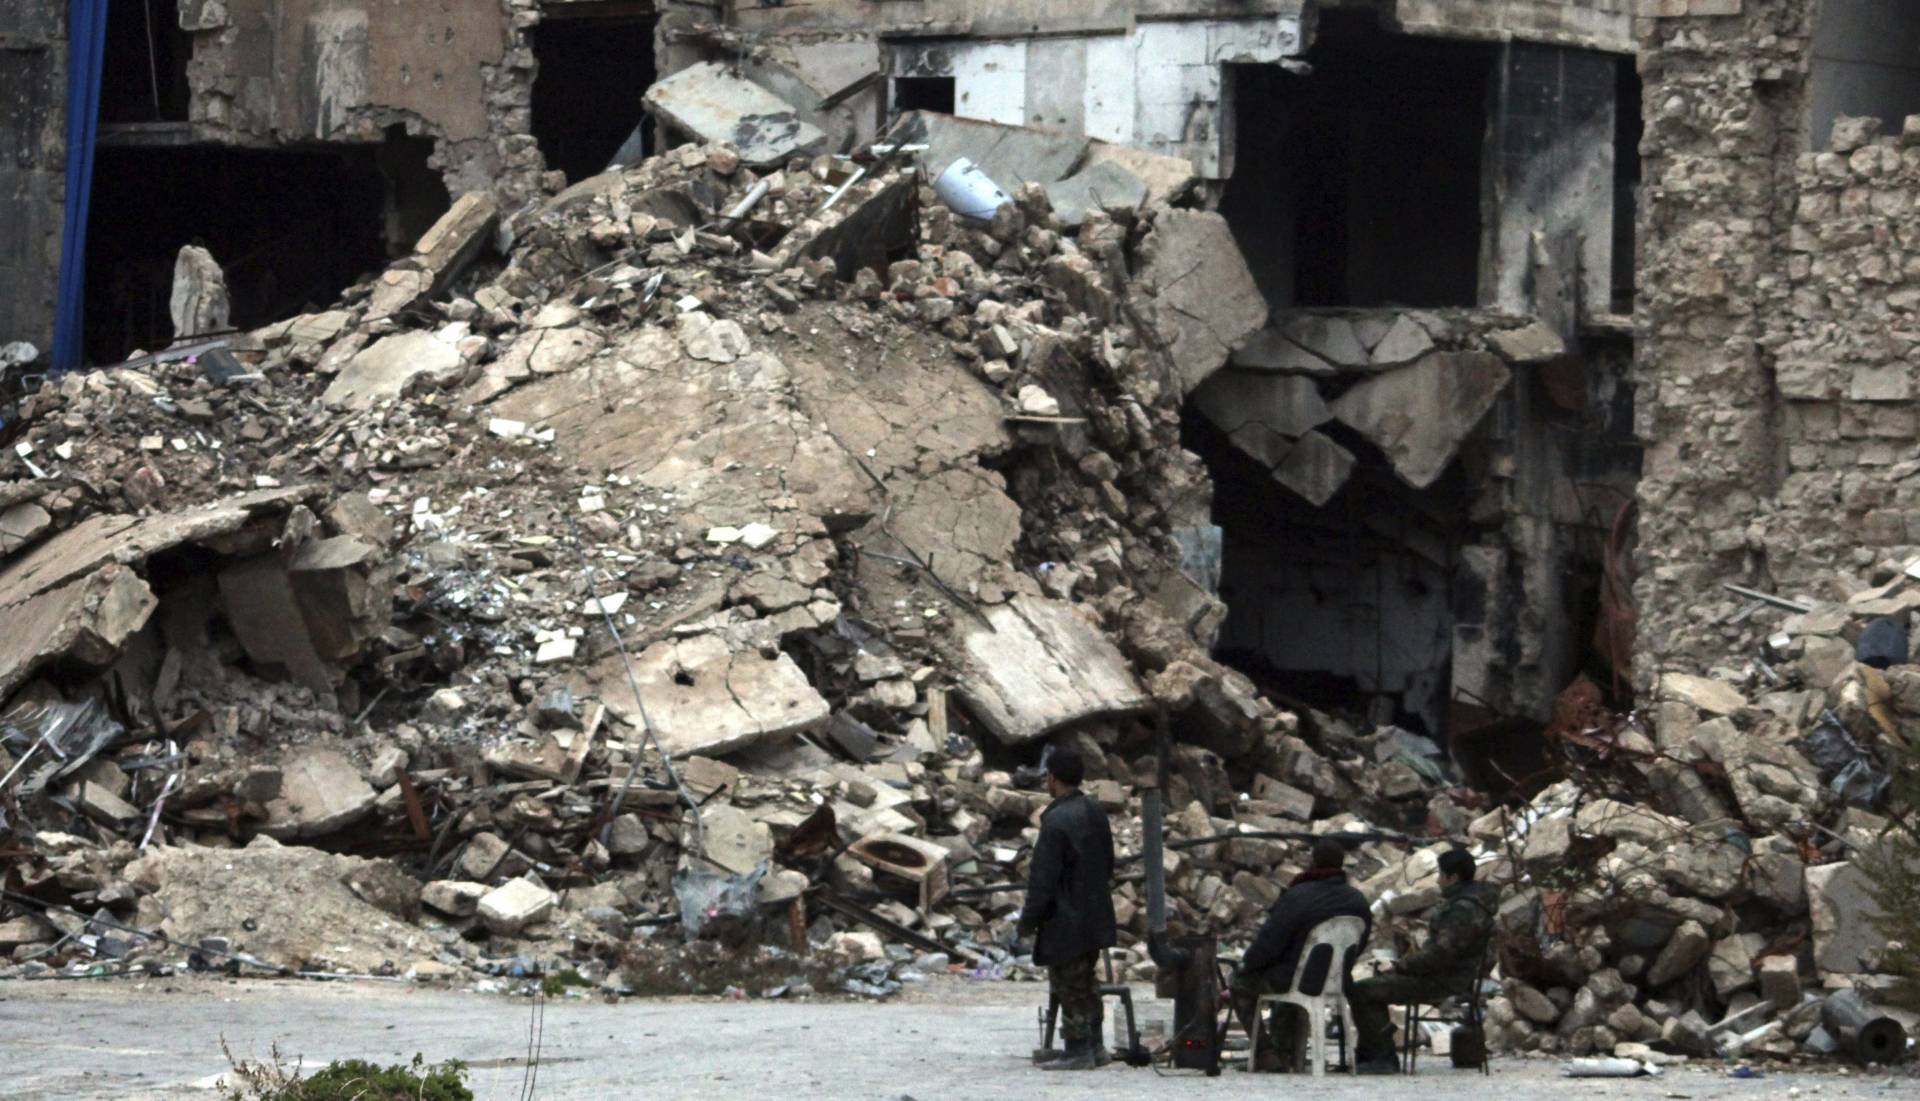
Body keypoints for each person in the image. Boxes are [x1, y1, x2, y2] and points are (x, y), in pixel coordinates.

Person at [1349, 847, 1499, 1073]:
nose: (1438, 881)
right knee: (1372, 985)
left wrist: (1401, 966)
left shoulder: (1461, 910)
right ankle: (1373, 1053)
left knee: (1362, 991)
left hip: (1442, 979)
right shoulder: (1475, 903)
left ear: (1453, 877)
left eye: (1441, 875)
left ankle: (1382, 1057)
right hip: (1451, 974)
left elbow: (1439, 956)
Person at [1229, 838, 1372, 1072]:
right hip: (1335, 982)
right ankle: (1287, 1052)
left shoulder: (1298, 895)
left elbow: (1269, 944)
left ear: (1313, 862)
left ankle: (1266, 1052)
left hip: (1295, 979)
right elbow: (1359, 944)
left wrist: (1246, 967)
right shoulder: (1357, 899)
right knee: (1290, 979)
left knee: (1240, 984)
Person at [1018, 747, 1117, 1071]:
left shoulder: (1057, 821)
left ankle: (1077, 1049)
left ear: (1052, 778)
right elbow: (1109, 864)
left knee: (1069, 985)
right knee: (1087, 982)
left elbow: (1042, 879)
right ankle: (1096, 1044)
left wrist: (1028, 921)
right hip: (1095, 913)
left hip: (1065, 918)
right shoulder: (1095, 812)